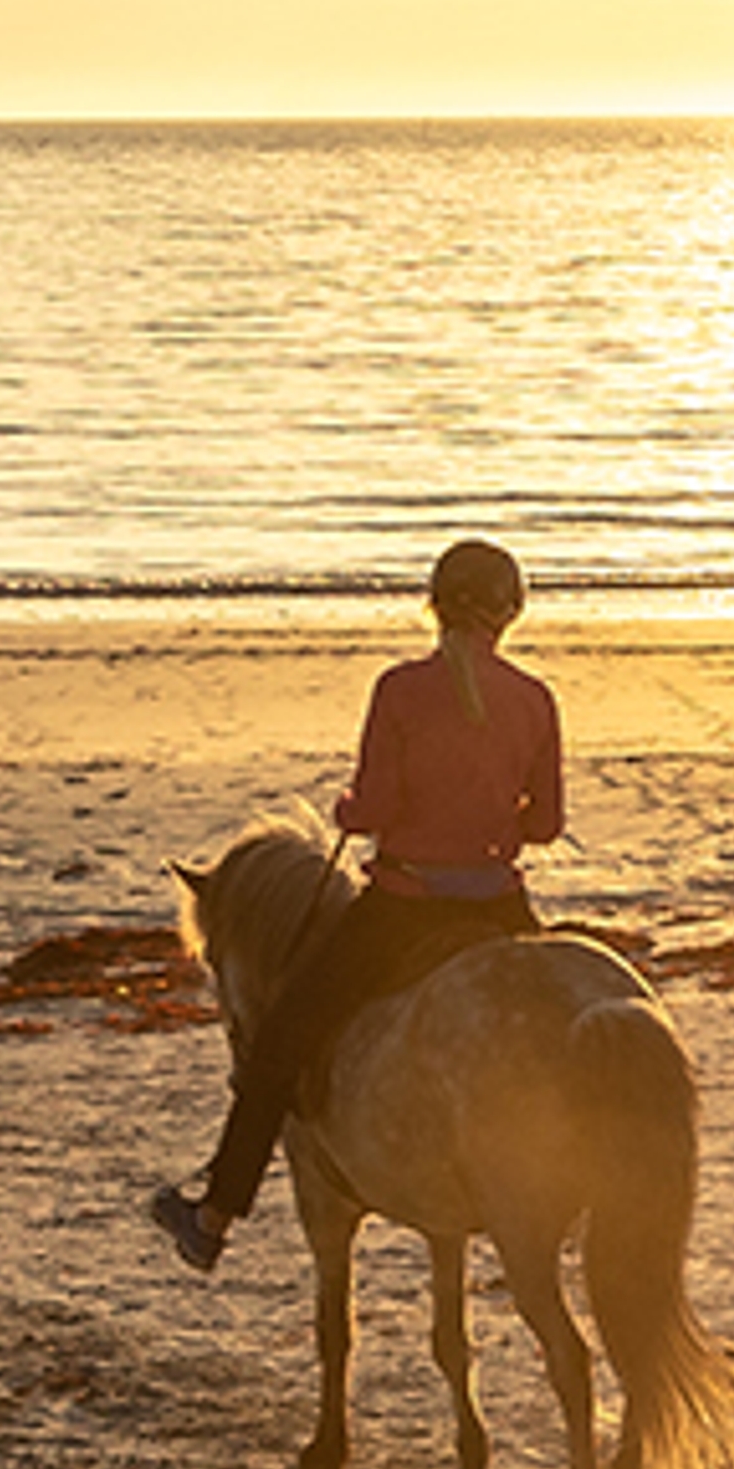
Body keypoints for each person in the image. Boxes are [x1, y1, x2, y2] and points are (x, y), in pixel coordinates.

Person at [152, 534, 564, 1269]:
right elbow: (546, 826)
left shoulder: (400, 690)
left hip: (403, 909)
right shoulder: (535, 700)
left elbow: (372, 809)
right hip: (500, 909)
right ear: (511, 614)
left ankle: (212, 1221)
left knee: (279, 1041)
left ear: (433, 606)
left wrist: (347, 812)